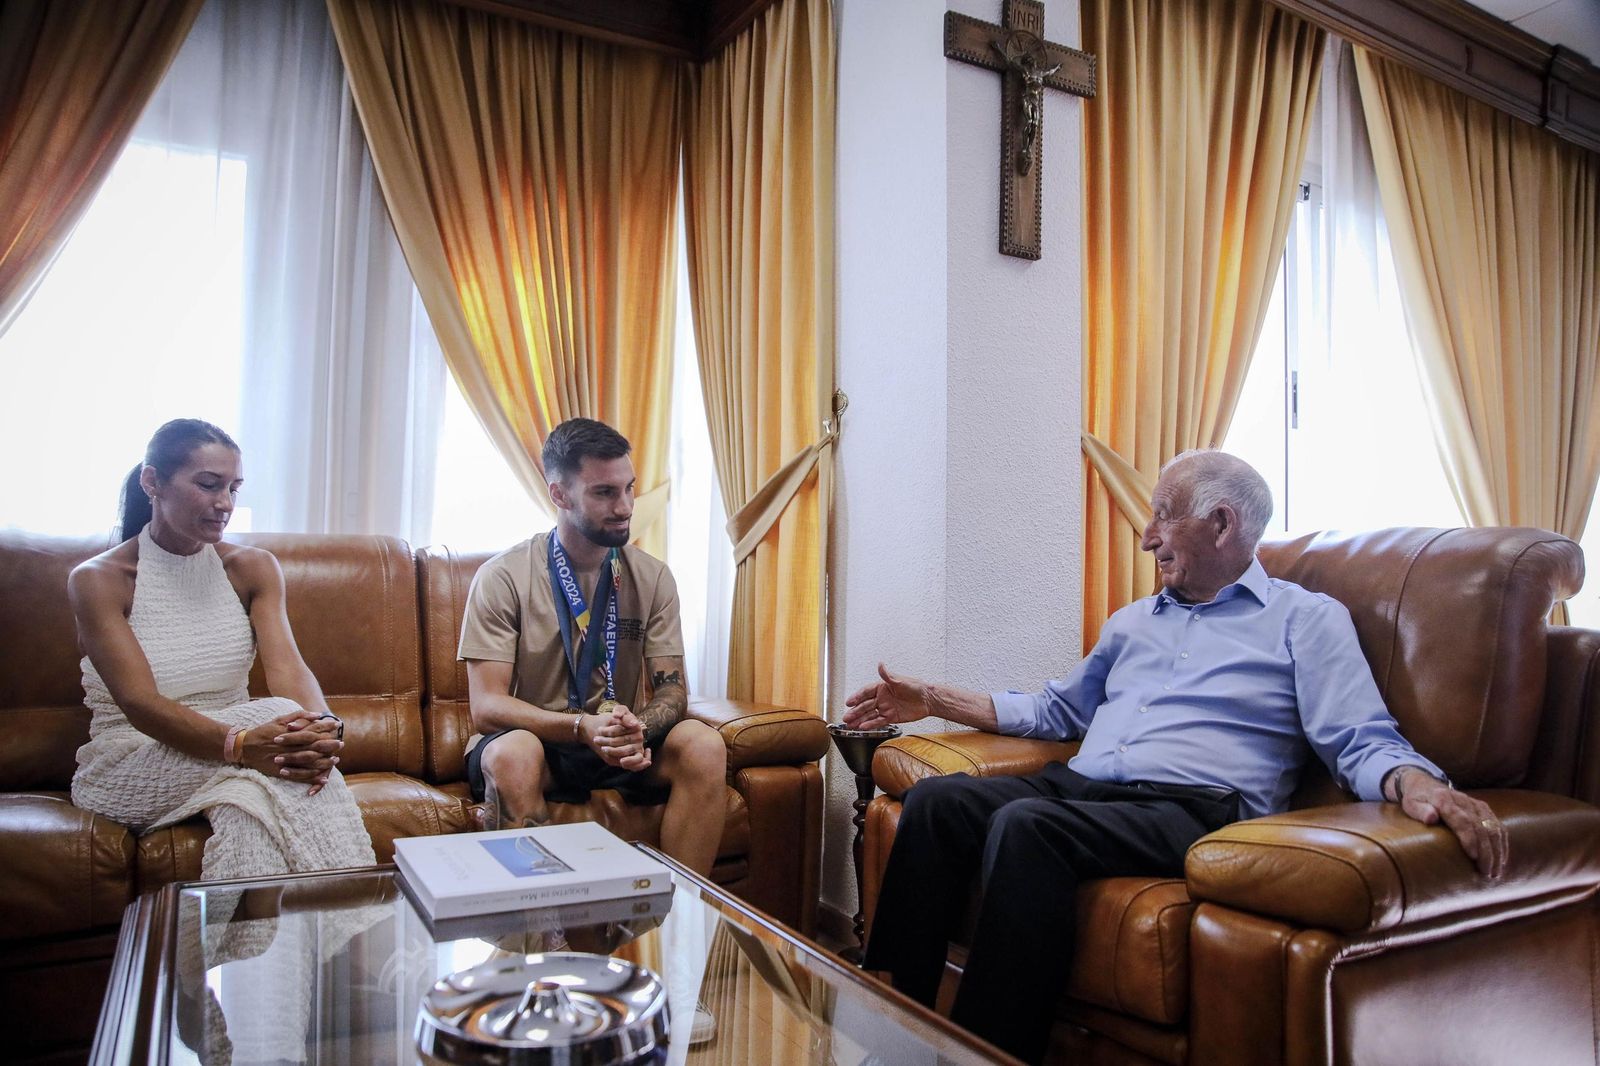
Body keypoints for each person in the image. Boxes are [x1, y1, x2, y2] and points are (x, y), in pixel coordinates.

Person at [843, 449, 1510, 1065]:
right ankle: (889, 1029)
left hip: (1192, 809)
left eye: (1163, 514)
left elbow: (1356, 734)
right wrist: (930, 696)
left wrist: (1414, 782)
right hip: (1082, 790)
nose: (1146, 536)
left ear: (1222, 524)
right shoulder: (1133, 621)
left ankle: (987, 1056)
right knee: (936, 803)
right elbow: (1057, 710)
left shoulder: (1304, 619)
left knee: (1027, 828)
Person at [70, 418, 374, 885]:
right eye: (208, 485)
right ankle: (350, 918)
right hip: (129, 760)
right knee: (274, 717)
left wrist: (325, 730)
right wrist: (240, 745)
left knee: (248, 807)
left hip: (245, 753)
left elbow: (288, 667)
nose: (224, 504)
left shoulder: (252, 569)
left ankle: (251, 955)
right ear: (152, 482)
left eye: (233, 487)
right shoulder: (99, 580)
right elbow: (139, 703)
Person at [458, 417, 727, 876]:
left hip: (616, 740)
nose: (625, 507)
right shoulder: (503, 577)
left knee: (704, 743)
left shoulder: (654, 577)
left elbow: (672, 691)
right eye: (604, 492)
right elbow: (486, 706)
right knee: (512, 755)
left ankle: (681, 915)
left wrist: (635, 730)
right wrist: (582, 727)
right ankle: (539, 928)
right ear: (559, 495)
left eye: (629, 489)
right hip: (541, 742)